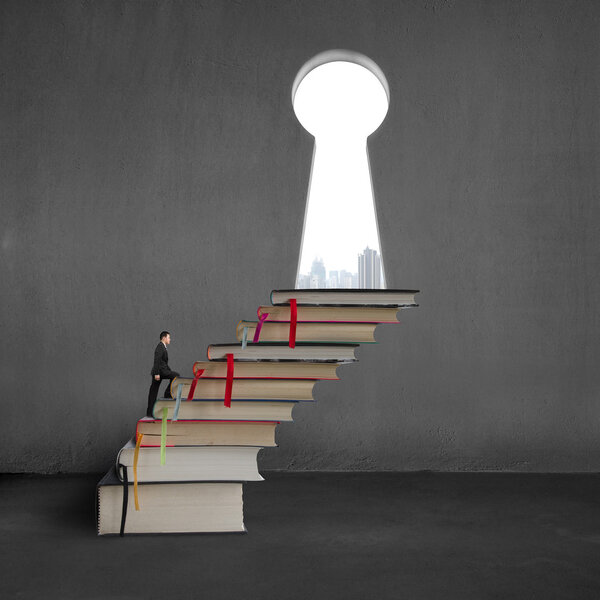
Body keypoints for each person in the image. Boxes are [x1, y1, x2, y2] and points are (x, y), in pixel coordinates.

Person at [146, 331, 180, 418]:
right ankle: (167, 393)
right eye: (169, 337)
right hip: (159, 372)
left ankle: (150, 412)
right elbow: (156, 361)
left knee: (153, 392)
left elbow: (163, 362)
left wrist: (169, 370)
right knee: (176, 375)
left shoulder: (163, 347)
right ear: (164, 338)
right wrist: (157, 373)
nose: (170, 339)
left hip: (161, 371)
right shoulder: (160, 347)